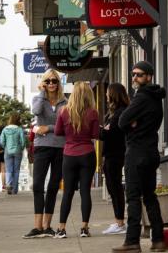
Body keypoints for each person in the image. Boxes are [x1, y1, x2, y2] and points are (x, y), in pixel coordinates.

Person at [113, 61, 167, 252]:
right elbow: (132, 121)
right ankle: (158, 240)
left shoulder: (142, 96)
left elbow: (121, 121)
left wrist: (132, 123)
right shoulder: (156, 98)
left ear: (149, 77)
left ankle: (132, 241)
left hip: (136, 153)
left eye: (139, 74)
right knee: (150, 197)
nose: (134, 77)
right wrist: (133, 122)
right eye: (133, 74)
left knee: (133, 197)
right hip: (151, 152)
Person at [23, 69, 67, 239]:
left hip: (60, 147)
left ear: (58, 83)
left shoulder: (65, 102)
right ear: (43, 83)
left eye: (54, 81)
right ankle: (37, 226)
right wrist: (41, 92)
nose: (51, 84)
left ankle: (48, 226)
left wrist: (47, 128)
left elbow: (64, 127)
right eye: (47, 81)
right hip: (42, 146)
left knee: (54, 186)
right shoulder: (38, 99)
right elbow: (35, 111)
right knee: (38, 185)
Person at [54, 82, 100, 238]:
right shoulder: (93, 113)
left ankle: (61, 229)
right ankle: (84, 228)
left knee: (67, 192)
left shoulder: (63, 111)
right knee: (85, 191)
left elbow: (57, 131)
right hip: (87, 153)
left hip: (69, 154)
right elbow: (95, 134)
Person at [100, 82, 130, 235]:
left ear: (113, 94)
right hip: (110, 153)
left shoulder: (120, 112)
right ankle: (118, 221)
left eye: (107, 92)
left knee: (115, 187)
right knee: (113, 188)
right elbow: (105, 132)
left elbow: (111, 133)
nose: (105, 95)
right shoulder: (112, 113)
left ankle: (120, 223)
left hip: (116, 154)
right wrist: (103, 130)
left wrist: (103, 130)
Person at [0, 113, 27, 194]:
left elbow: (2, 141)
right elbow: (23, 141)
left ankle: (8, 184)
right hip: (18, 151)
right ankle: (15, 189)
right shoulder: (19, 129)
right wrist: (21, 148)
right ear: (18, 120)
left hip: (7, 151)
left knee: (8, 169)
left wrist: (5, 147)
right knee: (16, 170)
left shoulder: (5, 129)